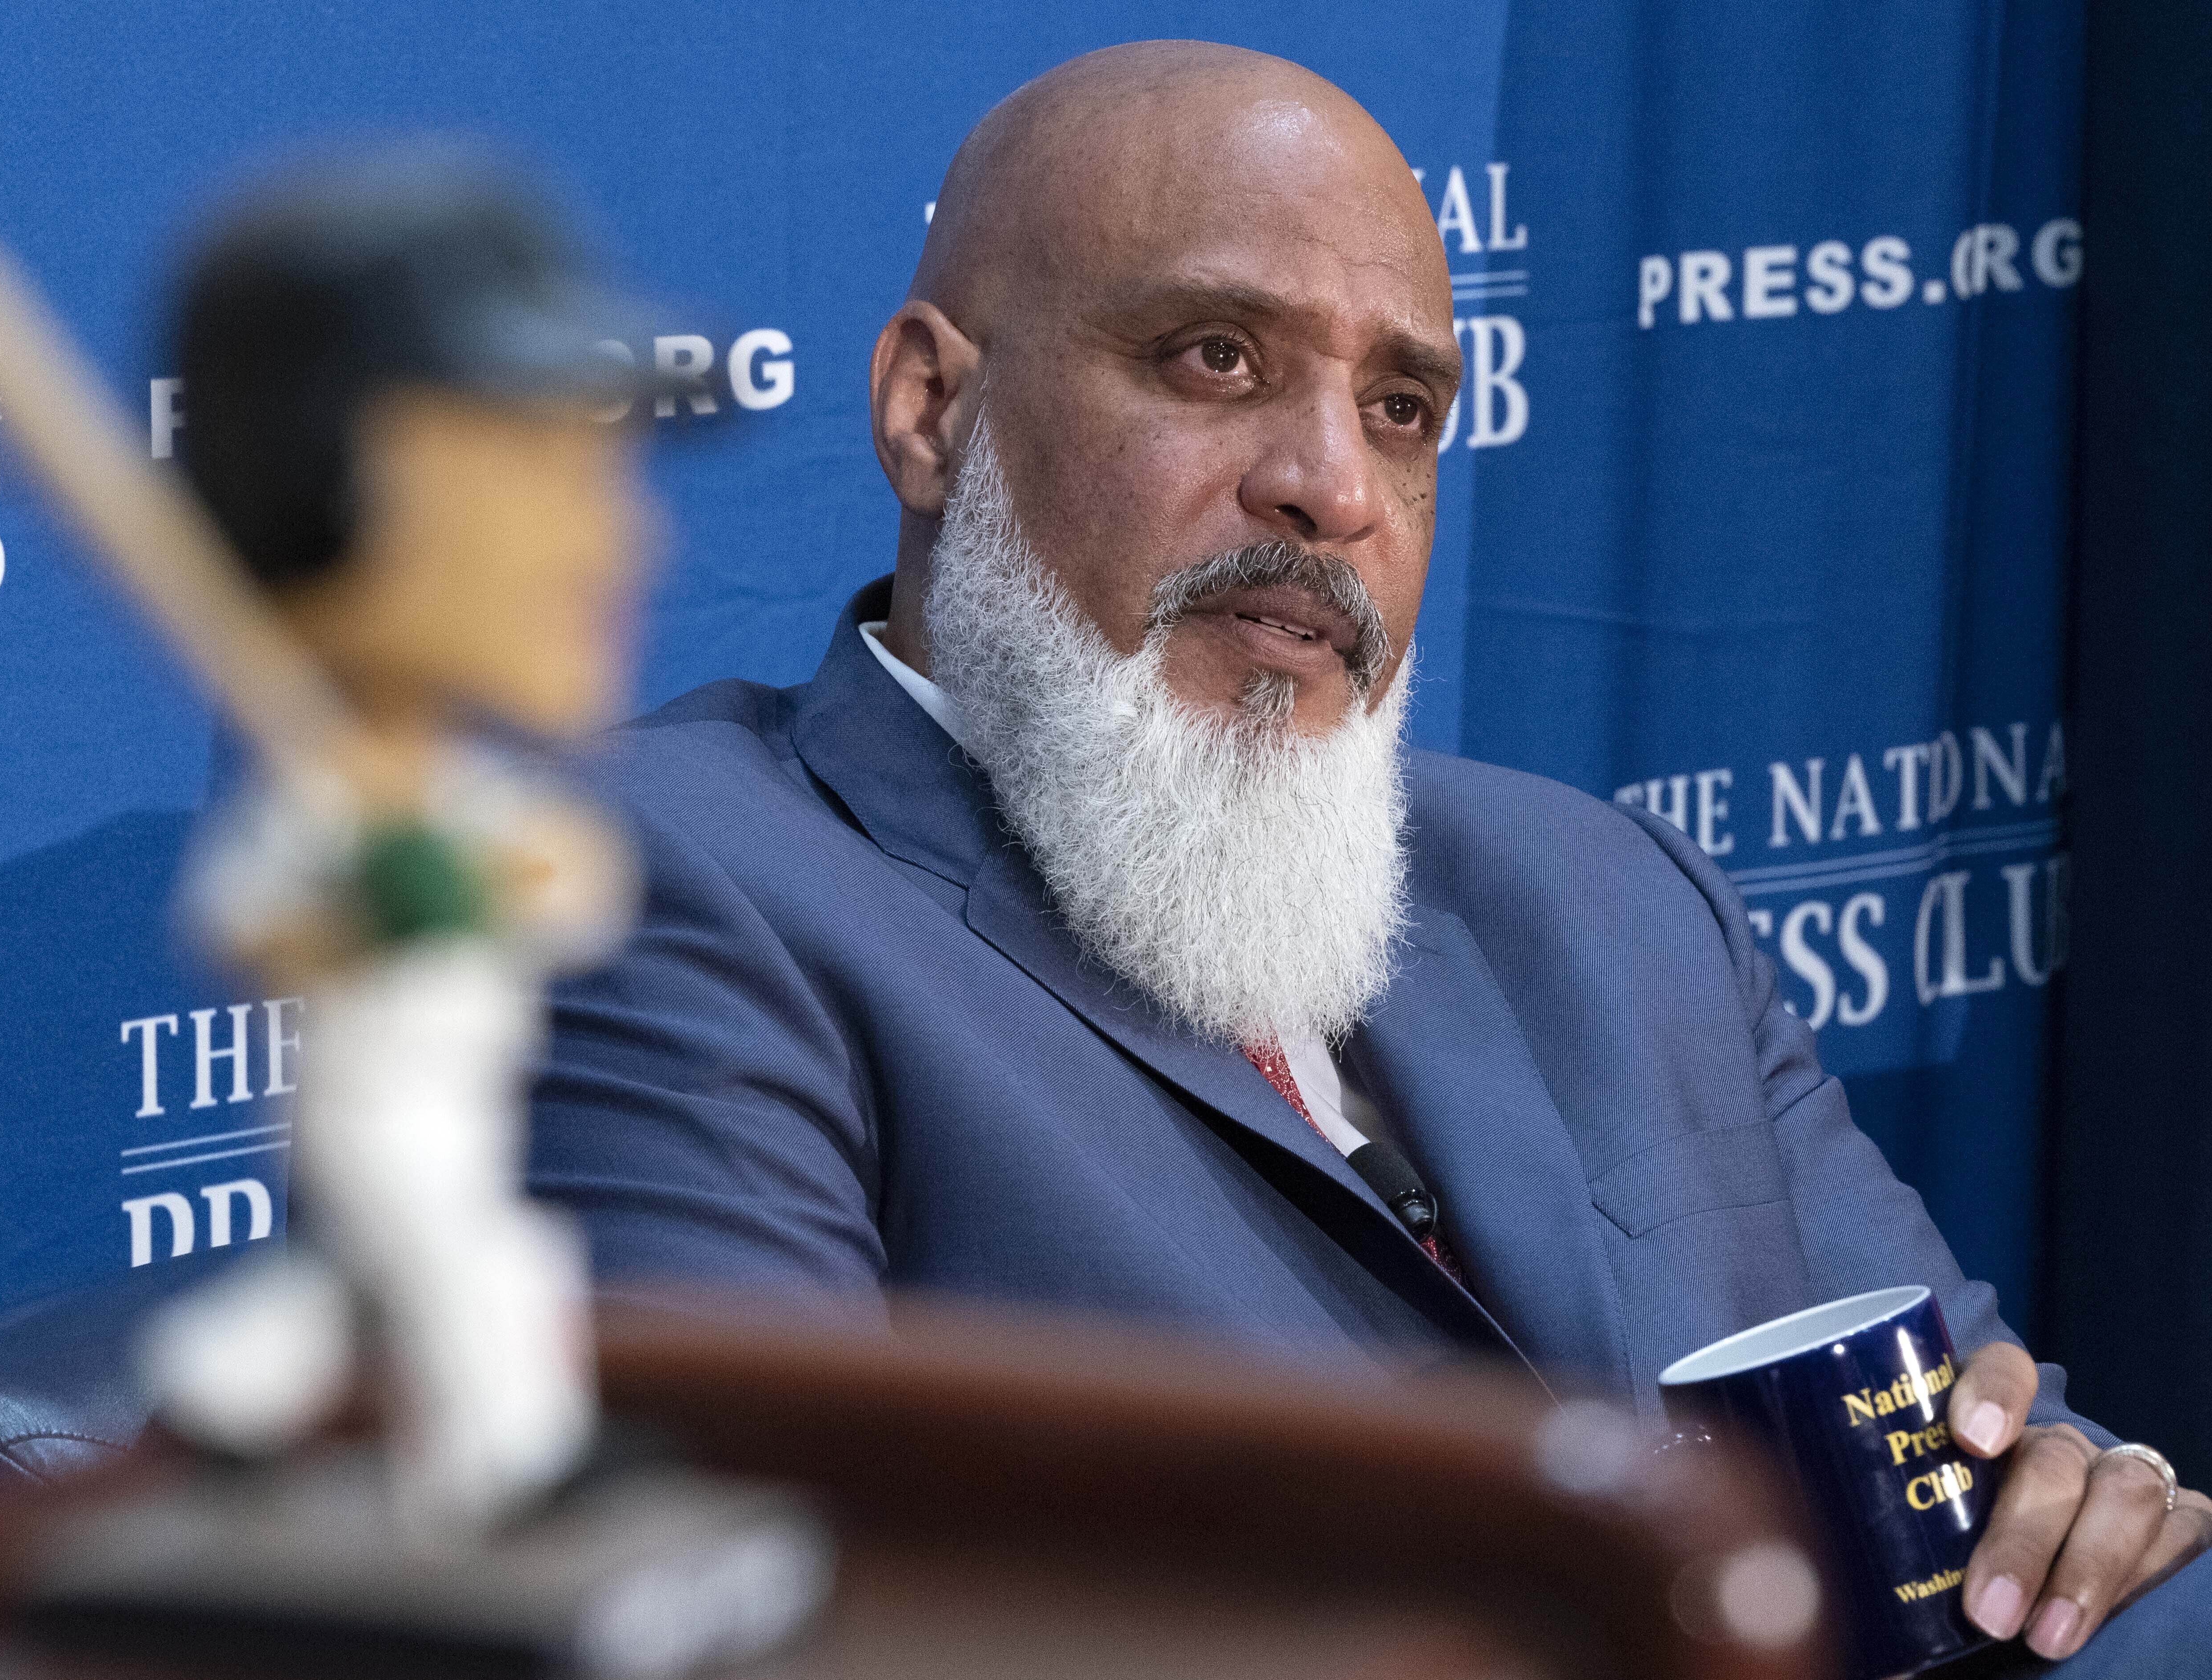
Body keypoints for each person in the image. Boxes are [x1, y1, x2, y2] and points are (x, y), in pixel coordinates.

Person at [529, 42, 2211, 1665]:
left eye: (1402, 409)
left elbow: (2008, 1514)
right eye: (1216, 360)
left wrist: (2079, 1520)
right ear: (931, 410)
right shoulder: (657, 887)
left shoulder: (1604, 897)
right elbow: (772, 1625)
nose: (1333, 487)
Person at [130, 153, 650, 1544]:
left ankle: (217, 1398)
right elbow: (243, 931)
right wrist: (364, 912)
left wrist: (485, 881)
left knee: (345, 1299)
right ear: (341, 487)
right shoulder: (319, 815)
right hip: (371, 1111)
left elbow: (578, 893)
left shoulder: (443, 797)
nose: (627, 536)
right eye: (547, 468)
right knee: (486, 1268)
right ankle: (510, 1482)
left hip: (463, 1101)